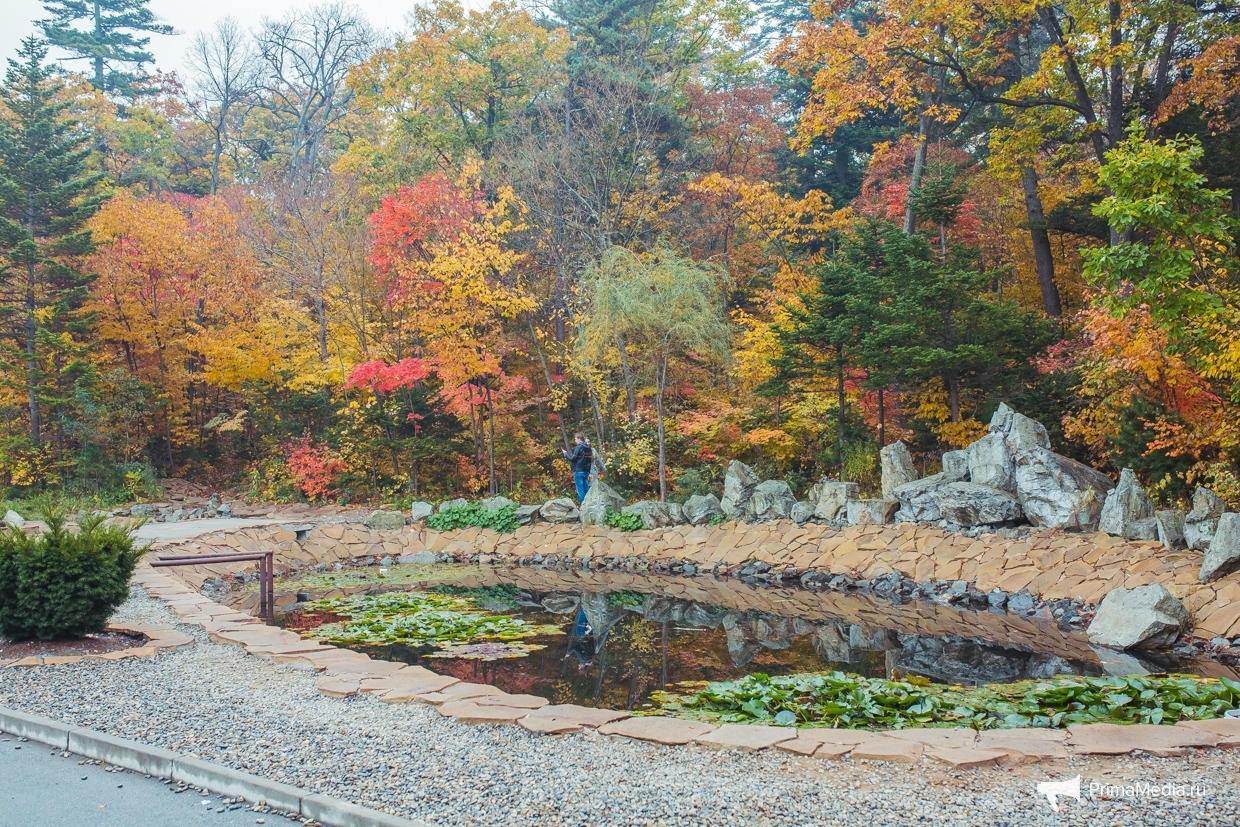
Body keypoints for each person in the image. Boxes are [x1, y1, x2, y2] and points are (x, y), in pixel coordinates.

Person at [562, 432, 598, 503]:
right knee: (586, 490)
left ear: (579, 438)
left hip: (578, 472)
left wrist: (565, 454)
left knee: (580, 491)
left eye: (575, 439)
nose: (575, 441)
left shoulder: (578, 447)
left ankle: (583, 509)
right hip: (586, 472)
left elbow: (572, 459)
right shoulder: (588, 448)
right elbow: (589, 460)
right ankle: (588, 506)